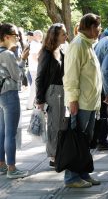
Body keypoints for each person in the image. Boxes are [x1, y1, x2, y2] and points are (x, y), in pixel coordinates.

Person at [63, 13, 102, 188]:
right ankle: (72, 177)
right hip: (81, 103)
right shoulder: (77, 45)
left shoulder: (88, 45)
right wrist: (72, 100)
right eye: (98, 27)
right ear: (92, 27)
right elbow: (71, 76)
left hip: (90, 102)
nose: (99, 30)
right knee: (76, 140)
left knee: (85, 141)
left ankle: (83, 173)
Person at [35, 23, 68, 167]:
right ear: (55, 36)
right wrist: (40, 99)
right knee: (54, 125)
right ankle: (54, 156)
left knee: (62, 124)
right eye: (63, 34)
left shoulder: (60, 50)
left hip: (62, 91)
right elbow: (39, 77)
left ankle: (59, 153)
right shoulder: (47, 53)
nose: (66, 36)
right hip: (53, 92)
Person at [0, 23, 29, 179]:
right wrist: (23, 59)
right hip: (9, 94)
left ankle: (2, 165)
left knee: (2, 132)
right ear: (6, 37)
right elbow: (18, 76)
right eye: (15, 35)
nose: (18, 38)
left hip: (0, 94)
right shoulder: (8, 54)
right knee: (10, 134)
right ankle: (12, 168)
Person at [26, 29, 43, 110]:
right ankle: (30, 104)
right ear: (35, 36)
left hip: (36, 67)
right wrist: (42, 64)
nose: (41, 36)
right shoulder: (34, 44)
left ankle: (33, 103)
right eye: (39, 35)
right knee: (34, 86)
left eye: (41, 35)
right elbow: (34, 56)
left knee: (36, 86)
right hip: (35, 68)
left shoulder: (37, 43)